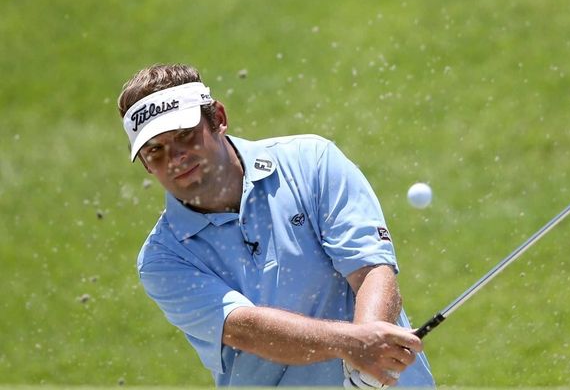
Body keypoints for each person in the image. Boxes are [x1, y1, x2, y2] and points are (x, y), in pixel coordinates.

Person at [117, 63, 435, 388]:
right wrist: (354, 343)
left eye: (185, 135)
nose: (175, 157)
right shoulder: (164, 259)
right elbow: (244, 328)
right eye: (155, 150)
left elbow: (370, 268)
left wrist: (370, 355)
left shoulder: (311, 161)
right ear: (144, 164)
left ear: (219, 118)